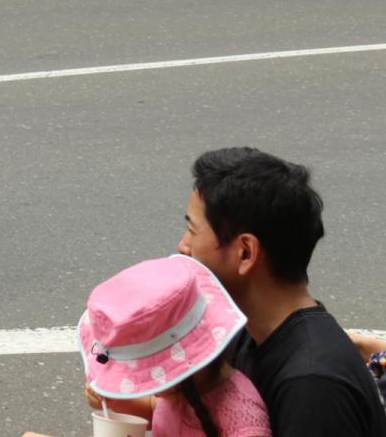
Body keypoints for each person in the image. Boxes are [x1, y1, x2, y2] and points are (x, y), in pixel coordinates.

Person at [177, 147, 386, 436]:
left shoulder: (313, 386)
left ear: (246, 252)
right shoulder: (250, 333)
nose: (183, 246)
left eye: (193, 231)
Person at [79, 254, 271, 437]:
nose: (141, 385)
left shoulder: (244, 424)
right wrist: (116, 402)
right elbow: (158, 410)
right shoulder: (181, 392)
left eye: (140, 376)